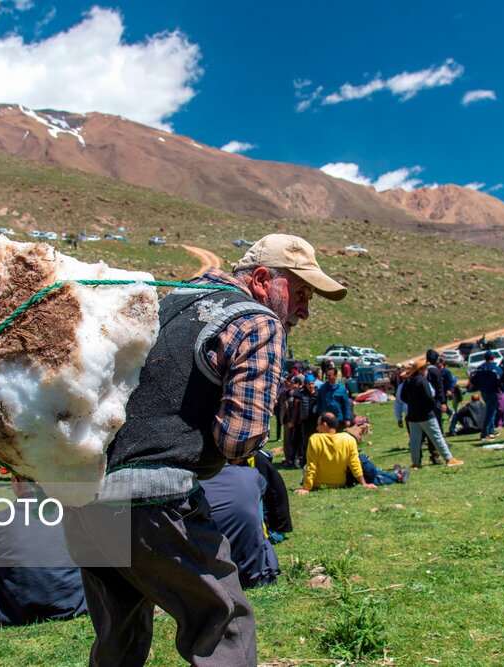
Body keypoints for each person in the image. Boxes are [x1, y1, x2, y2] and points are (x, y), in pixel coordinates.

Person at [63, 233, 346, 665]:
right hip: (154, 501)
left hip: (85, 497)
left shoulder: (170, 303)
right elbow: (239, 440)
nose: (305, 310)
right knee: (223, 621)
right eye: (302, 292)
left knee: (119, 637)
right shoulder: (257, 322)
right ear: (263, 279)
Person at [0, 477, 88, 629]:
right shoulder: (67, 510)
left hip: (23, 606)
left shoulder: (2, 519)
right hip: (74, 601)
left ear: (15, 482)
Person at [199, 461, 281, 589]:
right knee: (252, 502)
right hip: (255, 574)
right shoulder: (252, 474)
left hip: (207, 578)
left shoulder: (190, 484)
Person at [297, 413, 405, 493]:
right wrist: (364, 484)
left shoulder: (315, 439)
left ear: (324, 425)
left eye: (318, 425)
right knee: (365, 463)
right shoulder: (348, 439)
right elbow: (355, 464)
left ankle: (397, 475)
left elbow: (312, 465)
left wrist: (306, 488)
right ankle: (397, 475)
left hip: (319, 484)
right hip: (340, 482)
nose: (316, 428)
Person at [399, 363, 463, 467]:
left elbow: (403, 397)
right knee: (437, 436)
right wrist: (435, 406)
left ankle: (416, 462)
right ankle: (449, 458)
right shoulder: (422, 381)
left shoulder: (408, 381)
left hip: (412, 414)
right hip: (426, 414)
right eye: (425, 368)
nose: (427, 370)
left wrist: (413, 403)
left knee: (415, 440)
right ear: (420, 370)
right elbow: (428, 396)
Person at [469, 350, 503, 440]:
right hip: (493, 392)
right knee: (490, 412)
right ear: (493, 358)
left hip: (483, 392)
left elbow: (473, 379)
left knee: (491, 410)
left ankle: (491, 430)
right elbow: (501, 380)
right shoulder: (495, 368)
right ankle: (485, 432)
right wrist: (503, 390)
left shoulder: (480, 368)